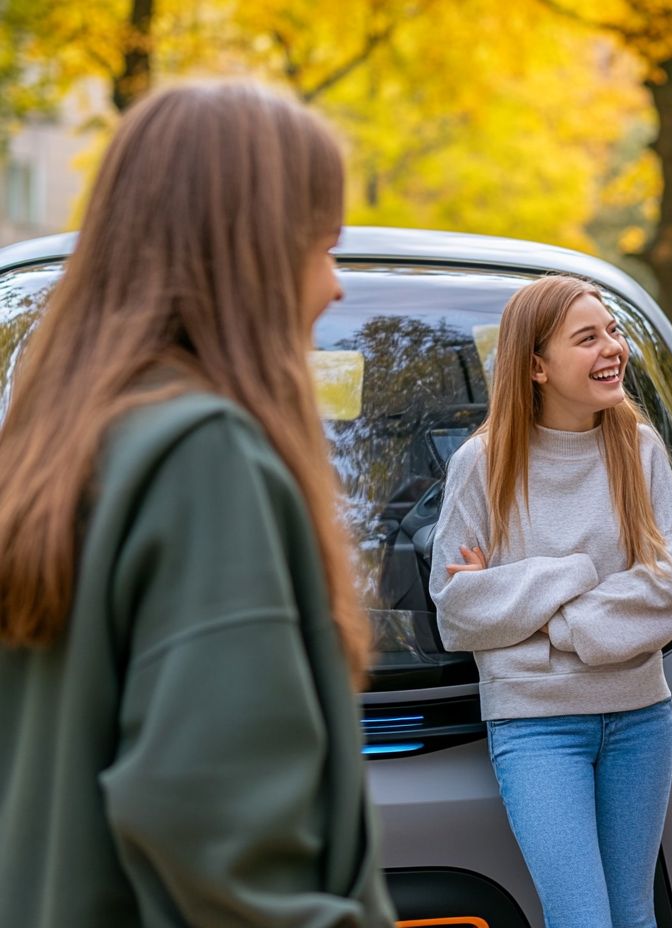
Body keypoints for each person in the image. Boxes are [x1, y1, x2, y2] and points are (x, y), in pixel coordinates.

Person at [0, 83, 395, 926]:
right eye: (323, 248)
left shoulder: (61, 445)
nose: (335, 288)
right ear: (247, 252)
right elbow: (224, 851)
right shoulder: (203, 456)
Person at [429, 274, 672, 928]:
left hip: (640, 716)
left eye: (611, 332)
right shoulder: (483, 464)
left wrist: (536, 614)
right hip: (535, 725)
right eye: (588, 338)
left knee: (633, 916)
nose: (612, 348)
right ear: (537, 367)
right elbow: (457, 610)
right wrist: (576, 572)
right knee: (582, 918)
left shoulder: (639, 449)